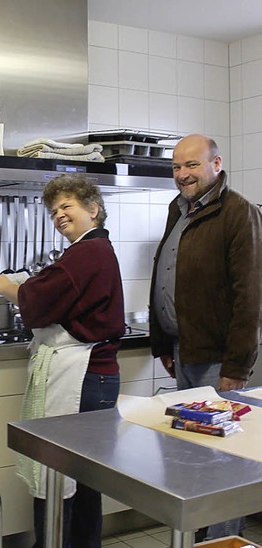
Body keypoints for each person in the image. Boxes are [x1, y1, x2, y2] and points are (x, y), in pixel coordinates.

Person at [0, 175, 125, 548]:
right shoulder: (89, 252)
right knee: (84, 478)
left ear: (93, 208)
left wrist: (4, 286)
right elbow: (52, 290)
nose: (58, 215)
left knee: (60, 472)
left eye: (67, 206)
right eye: (54, 211)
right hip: (94, 378)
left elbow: (37, 299)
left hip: (84, 378)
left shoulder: (87, 252)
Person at [149, 133, 262, 541]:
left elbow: (250, 296)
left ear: (216, 164)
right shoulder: (177, 210)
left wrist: (236, 367)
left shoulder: (238, 213)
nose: (182, 174)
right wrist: (163, 343)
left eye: (192, 165)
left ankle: (223, 542)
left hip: (218, 360)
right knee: (192, 459)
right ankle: (200, 541)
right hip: (184, 352)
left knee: (224, 463)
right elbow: (168, 275)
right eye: (177, 167)